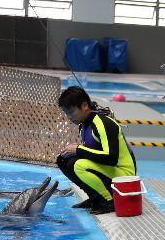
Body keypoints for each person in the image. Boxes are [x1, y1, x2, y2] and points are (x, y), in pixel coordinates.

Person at [56, 86, 137, 215]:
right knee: (63, 159)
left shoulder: (103, 123)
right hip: (110, 171)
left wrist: (79, 149)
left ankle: (108, 201)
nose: (69, 117)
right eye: (66, 113)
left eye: (71, 112)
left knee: (79, 165)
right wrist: (78, 150)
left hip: (124, 176)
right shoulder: (84, 124)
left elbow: (111, 158)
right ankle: (95, 198)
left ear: (84, 106)